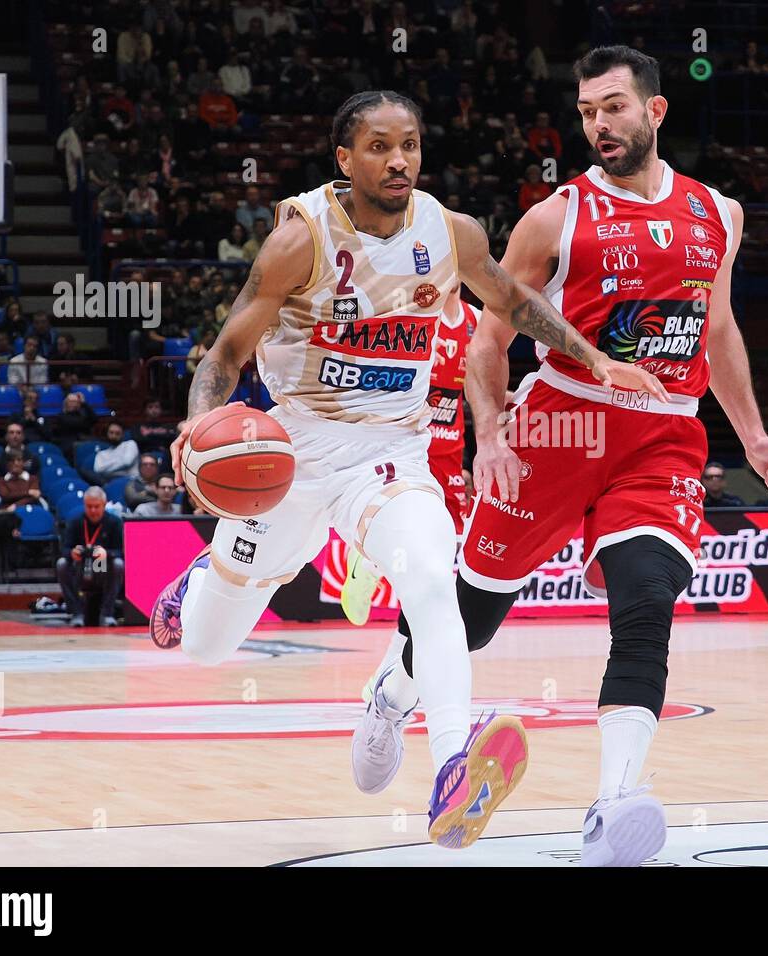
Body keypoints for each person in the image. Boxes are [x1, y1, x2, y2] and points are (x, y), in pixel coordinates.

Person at [146, 89, 662, 851]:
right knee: (205, 648)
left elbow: (512, 299)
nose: (399, 161)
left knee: (430, 579)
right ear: (344, 159)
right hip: (292, 454)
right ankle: (209, 572)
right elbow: (225, 355)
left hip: (391, 452)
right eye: (381, 147)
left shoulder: (449, 232)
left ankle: (454, 766)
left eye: (411, 145)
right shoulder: (299, 239)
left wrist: (593, 357)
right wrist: (196, 423)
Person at [357, 49, 768, 865]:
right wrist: (489, 435)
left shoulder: (721, 215)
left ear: (655, 112)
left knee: (648, 598)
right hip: (562, 427)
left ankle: (615, 802)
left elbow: (722, 330)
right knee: (474, 617)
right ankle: (390, 696)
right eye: (587, 109)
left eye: (613, 107)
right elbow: (489, 341)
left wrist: (752, 434)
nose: (598, 123)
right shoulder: (553, 217)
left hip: (666, 432)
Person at [340, 284, 482, 625]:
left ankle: (374, 567)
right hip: (410, 438)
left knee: (451, 536)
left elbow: (478, 383)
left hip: (452, 443)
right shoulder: (419, 312)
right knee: (410, 524)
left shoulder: (475, 320)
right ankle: (370, 565)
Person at [56, 487, 124, 627]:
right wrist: (72, 553)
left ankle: (107, 614)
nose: (93, 511)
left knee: (118, 564)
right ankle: (76, 613)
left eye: (96, 507)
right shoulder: (75, 522)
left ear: (104, 505)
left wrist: (107, 554)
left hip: (104, 567)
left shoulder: (114, 522)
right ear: (84, 505)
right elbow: (64, 549)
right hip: (81, 566)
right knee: (61, 564)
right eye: (89, 506)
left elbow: (121, 552)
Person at [51, 391, 97, 460]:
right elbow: (73, 423)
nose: (74, 404)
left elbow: (95, 419)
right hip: (68, 445)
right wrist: (85, 421)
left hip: (83, 441)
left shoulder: (82, 416)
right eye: (71, 401)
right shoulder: (61, 416)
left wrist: (84, 403)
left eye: (76, 402)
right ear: (66, 403)